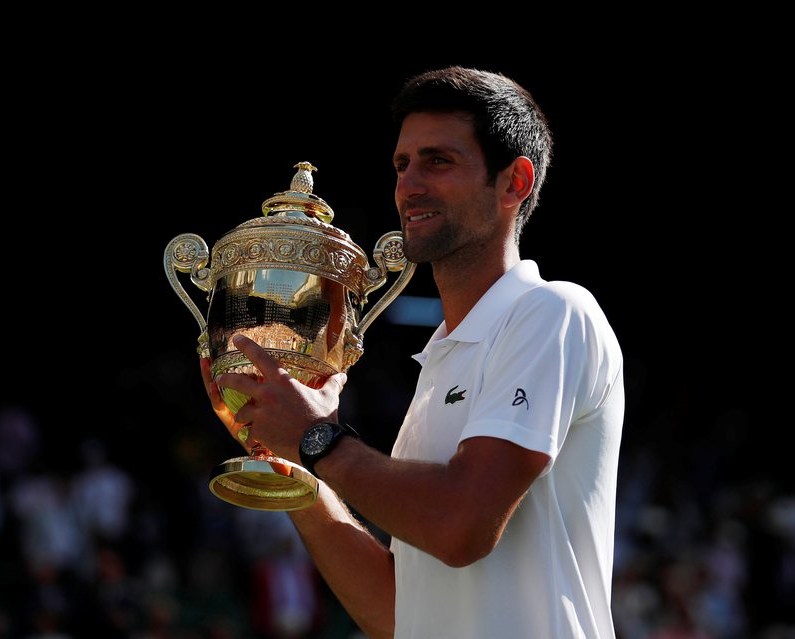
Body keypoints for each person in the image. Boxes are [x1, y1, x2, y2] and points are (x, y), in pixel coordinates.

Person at [200, 66, 625, 639]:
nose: (409, 185)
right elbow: (397, 612)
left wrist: (317, 438)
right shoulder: (440, 362)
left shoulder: (553, 312)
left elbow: (461, 527)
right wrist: (292, 464)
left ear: (514, 182)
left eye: (438, 161)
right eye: (402, 165)